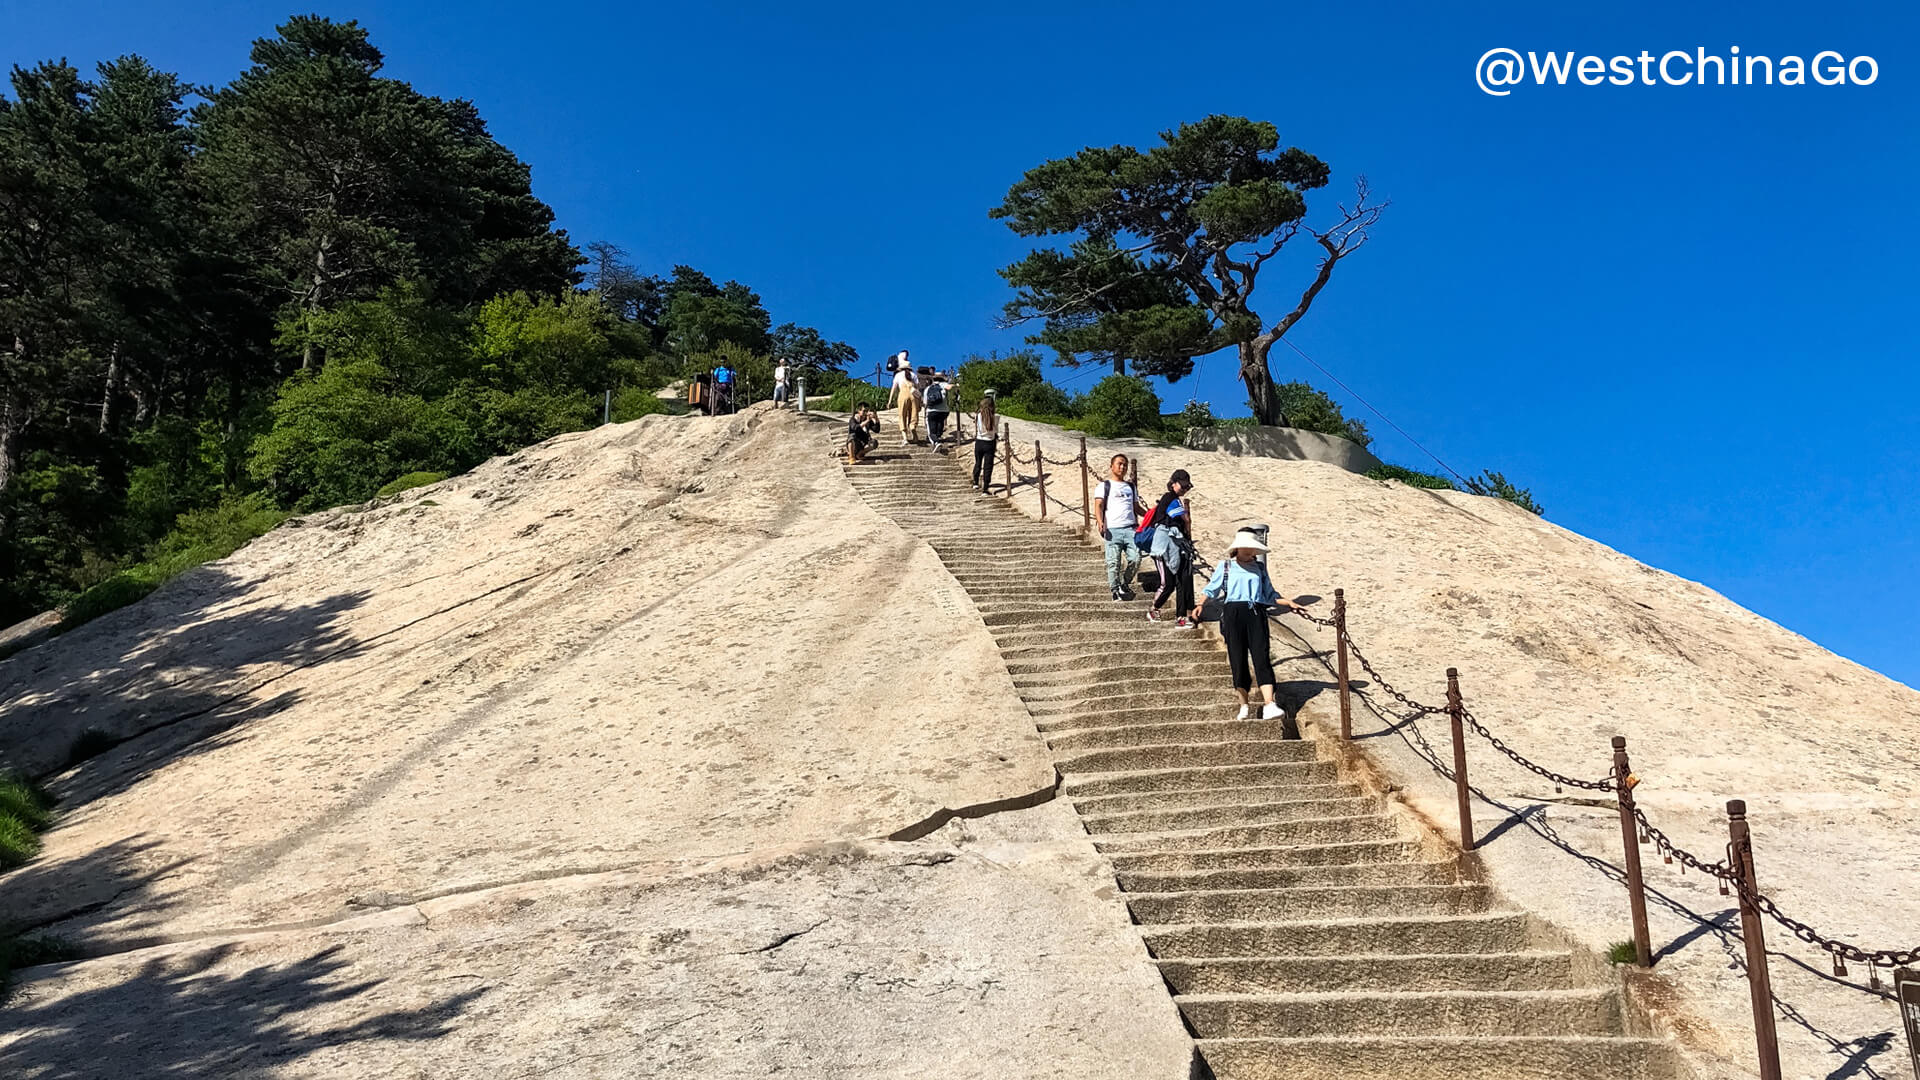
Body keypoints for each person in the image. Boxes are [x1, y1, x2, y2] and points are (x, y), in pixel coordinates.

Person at [1203, 529, 1310, 720]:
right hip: (1233, 613)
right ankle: (1243, 704)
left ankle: (1270, 704)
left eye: (1254, 547)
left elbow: (1269, 594)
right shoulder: (1226, 566)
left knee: (1261, 655)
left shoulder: (1259, 568)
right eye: (1248, 546)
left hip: (1256, 613)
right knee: (1238, 658)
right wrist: (1199, 605)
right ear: (1238, 546)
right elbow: (1212, 589)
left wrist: (1290, 603)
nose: (1251, 551)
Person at [1145, 469, 1199, 627]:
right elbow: (1184, 519)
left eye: (1187, 487)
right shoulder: (1169, 498)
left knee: (1180, 582)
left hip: (1176, 548)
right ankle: (1154, 609)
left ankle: (1181, 618)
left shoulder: (1175, 499)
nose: (1184, 490)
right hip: (1163, 548)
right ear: (1173, 483)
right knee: (1167, 583)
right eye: (1182, 486)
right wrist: (1187, 520)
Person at [1092, 454, 1146, 601]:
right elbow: (1098, 506)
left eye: (1125, 465)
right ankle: (1114, 589)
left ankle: (1124, 583)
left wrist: (1149, 515)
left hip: (1130, 528)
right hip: (1113, 529)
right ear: (1112, 466)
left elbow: (1136, 507)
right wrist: (1100, 521)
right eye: (1119, 464)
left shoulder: (1130, 487)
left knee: (1136, 558)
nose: (1122, 467)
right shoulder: (1104, 486)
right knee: (1113, 562)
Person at [972, 390, 999, 492]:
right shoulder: (995, 417)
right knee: (988, 465)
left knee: (978, 462)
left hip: (979, 441)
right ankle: (986, 487)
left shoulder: (978, 415)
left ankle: (975, 482)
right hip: (989, 442)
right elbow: (995, 431)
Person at [923, 373, 951, 452]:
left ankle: (936, 442)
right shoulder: (944, 385)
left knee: (931, 431)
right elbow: (950, 387)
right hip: (944, 411)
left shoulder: (928, 388)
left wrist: (925, 412)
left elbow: (925, 403)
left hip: (931, 411)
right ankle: (938, 438)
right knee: (940, 423)